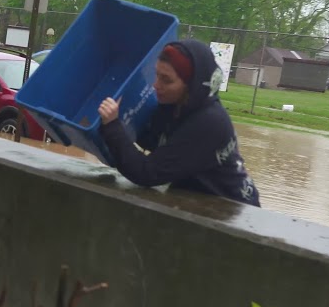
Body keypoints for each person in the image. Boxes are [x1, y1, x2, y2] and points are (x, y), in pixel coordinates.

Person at [96, 39, 261, 207]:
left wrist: (112, 126)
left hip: (235, 213)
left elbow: (146, 173)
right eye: (157, 75)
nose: (156, 85)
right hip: (201, 201)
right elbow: (150, 138)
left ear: (192, 85)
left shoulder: (209, 122)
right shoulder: (176, 105)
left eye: (166, 80)